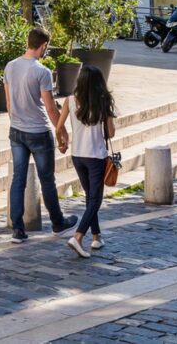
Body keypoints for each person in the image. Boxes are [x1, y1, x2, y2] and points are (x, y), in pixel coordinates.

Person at [4, 27, 77, 243]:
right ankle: (57, 223)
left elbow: (9, 103)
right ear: (43, 46)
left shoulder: (10, 66)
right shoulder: (42, 71)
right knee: (47, 180)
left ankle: (18, 229)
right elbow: (50, 108)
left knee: (18, 180)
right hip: (38, 132)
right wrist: (61, 131)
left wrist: (16, 122)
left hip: (16, 130)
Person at [57, 65, 116, 258]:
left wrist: (62, 143)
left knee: (91, 197)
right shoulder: (103, 100)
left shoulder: (71, 100)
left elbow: (58, 127)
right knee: (95, 199)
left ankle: (97, 236)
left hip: (77, 155)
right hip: (96, 155)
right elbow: (111, 133)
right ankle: (78, 236)